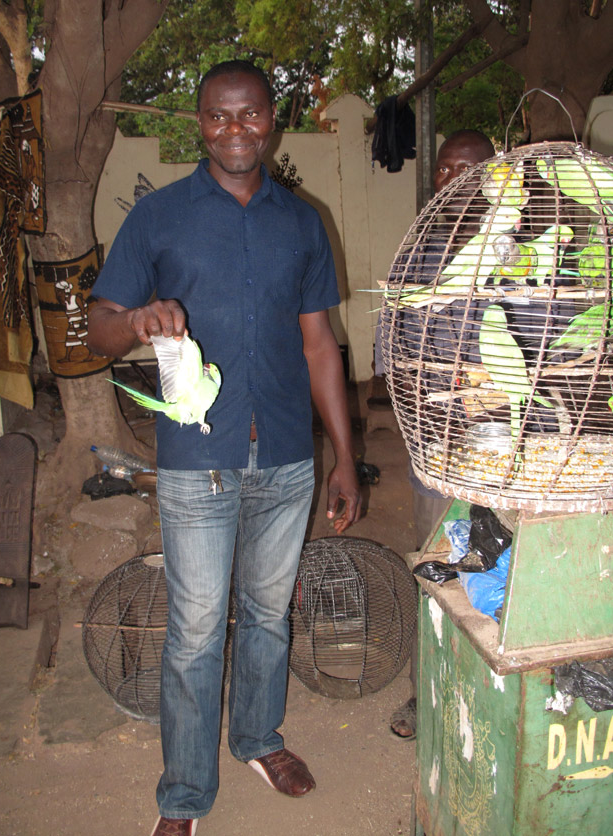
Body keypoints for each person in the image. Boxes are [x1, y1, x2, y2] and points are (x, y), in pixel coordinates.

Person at [87, 60, 361, 836]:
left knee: (269, 614)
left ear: (273, 119)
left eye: (250, 116)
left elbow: (319, 347)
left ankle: (258, 739)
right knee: (198, 628)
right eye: (218, 117)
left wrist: (343, 455)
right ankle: (183, 796)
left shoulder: (302, 222)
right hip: (194, 460)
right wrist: (137, 318)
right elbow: (101, 329)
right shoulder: (159, 218)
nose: (234, 130)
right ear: (197, 123)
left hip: (284, 453)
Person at [375, 129, 495, 740]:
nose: (452, 181)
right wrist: (421, 394)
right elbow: (387, 347)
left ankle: (488, 695)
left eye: (467, 170)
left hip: (505, 447)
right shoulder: (418, 249)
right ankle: (426, 693)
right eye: (444, 171)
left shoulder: (518, 247)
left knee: (497, 566)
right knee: (434, 565)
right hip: (434, 445)